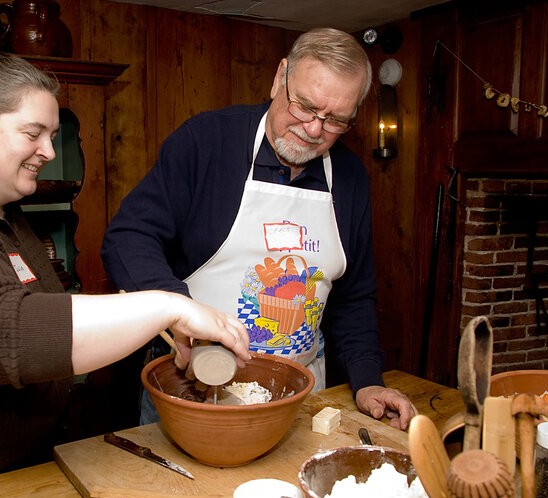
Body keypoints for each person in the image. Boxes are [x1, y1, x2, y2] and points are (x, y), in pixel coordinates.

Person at [0, 43, 250, 498]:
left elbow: (43, 310)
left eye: (52, 135)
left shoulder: (3, 213)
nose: (47, 150)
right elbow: (3, 336)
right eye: (32, 133)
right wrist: (166, 305)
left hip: (12, 468)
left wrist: (148, 319)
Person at [101, 27, 417, 430]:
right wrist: (178, 309)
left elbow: (353, 296)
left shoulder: (351, 177)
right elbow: (128, 238)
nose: (315, 129)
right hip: (192, 389)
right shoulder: (207, 143)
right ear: (279, 77)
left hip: (300, 398)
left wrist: (368, 381)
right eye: (304, 106)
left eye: (336, 120)